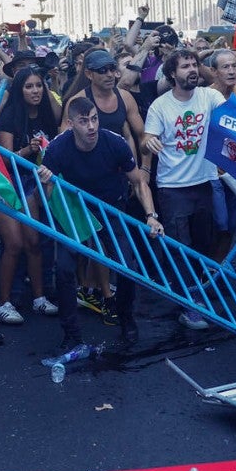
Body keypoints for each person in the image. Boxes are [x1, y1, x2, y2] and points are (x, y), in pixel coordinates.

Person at [34, 95, 160, 350]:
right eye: (83, 121)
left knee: (128, 266)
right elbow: (44, 200)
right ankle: (71, 333)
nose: (91, 127)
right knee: (65, 270)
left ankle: (126, 320)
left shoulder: (113, 142)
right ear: (71, 124)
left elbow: (138, 182)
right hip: (75, 211)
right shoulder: (58, 148)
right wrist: (45, 182)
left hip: (110, 208)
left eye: (94, 119)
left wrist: (151, 216)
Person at [142, 49, 226, 331]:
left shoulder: (209, 96)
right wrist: (149, 143)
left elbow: (231, 114)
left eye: (194, 65)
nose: (192, 69)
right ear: (171, 75)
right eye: (185, 66)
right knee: (181, 247)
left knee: (204, 243)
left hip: (204, 183)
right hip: (172, 188)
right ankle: (188, 305)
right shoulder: (160, 106)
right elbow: (147, 139)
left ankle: (195, 294)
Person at [0, 64, 62, 324]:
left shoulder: (45, 115)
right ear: (19, 90)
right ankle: (3, 302)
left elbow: (59, 119)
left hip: (36, 184)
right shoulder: (9, 117)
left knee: (34, 242)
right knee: (14, 244)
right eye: (29, 86)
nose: (35, 91)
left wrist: (52, 82)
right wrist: (28, 151)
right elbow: (6, 160)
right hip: (10, 184)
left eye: (38, 85)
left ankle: (39, 298)